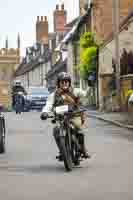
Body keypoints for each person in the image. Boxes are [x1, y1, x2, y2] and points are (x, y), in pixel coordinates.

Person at [41, 72, 90, 159]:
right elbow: (48, 105)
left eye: (66, 82)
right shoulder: (54, 95)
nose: (64, 84)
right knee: (56, 130)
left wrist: (89, 87)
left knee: (78, 128)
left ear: (69, 83)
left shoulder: (75, 91)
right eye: (62, 82)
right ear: (58, 83)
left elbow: (85, 94)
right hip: (60, 118)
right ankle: (62, 151)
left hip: (74, 115)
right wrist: (44, 112)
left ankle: (83, 150)